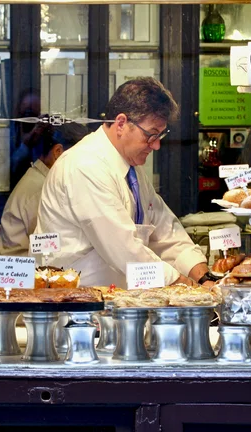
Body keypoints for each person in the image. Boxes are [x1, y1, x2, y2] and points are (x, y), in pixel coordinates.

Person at [35, 77, 209, 288]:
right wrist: (184, 285)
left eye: (160, 136)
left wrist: (203, 276)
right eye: (151, 135)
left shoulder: (131, 168)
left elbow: (163, 227)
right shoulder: (85, 165)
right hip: (75, 308)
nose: (156, 146)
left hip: (113, 305)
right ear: (121, 123)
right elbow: (123, 247)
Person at [0, 121, 89, 256]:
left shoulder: (44, 179)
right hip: (26, 271)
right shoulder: (41, 189)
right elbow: (48, 247)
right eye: (81, 156)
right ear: (58, 152)